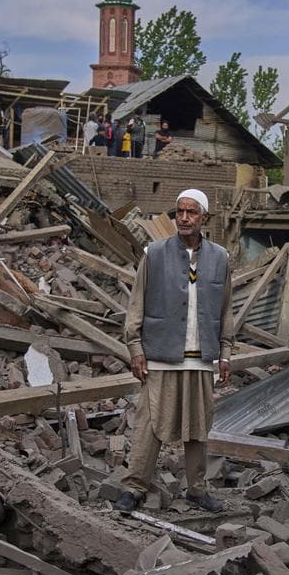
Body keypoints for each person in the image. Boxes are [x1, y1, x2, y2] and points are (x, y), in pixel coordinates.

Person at [115, 189, 232, 514]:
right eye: (179, 211)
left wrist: (225, 352)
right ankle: (134, 487)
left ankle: (197, 489)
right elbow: (135, 304)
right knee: (149, 423)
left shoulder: (220, 258)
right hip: (160, 354)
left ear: (204, 217)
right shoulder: (154, 253)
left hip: (201, 355)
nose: (183, 218)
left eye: (191, 212)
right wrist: (135, 346)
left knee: (198, 426)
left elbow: (226, 309)